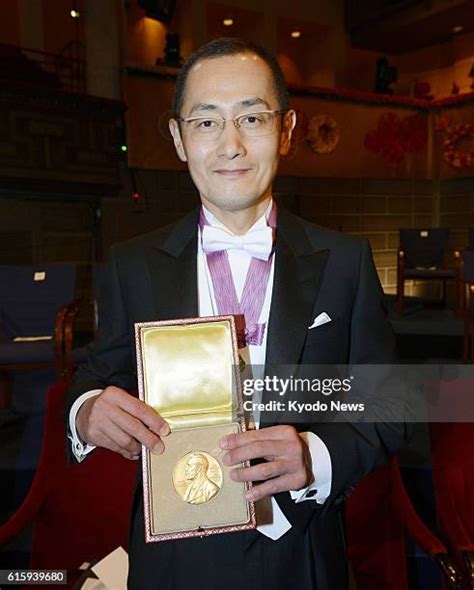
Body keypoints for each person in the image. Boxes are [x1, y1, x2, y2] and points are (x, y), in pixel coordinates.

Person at [66, 37, 409, 590]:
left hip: (301, 553)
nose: (231, 145)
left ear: (287, 130)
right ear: (178, 139)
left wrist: (314, 454)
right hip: (173, 553)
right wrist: (86, 413)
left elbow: (391, 399)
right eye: (206, 123)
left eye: (251, 117)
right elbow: (93, 377)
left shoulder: (346, 262)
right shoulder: (133, 265)